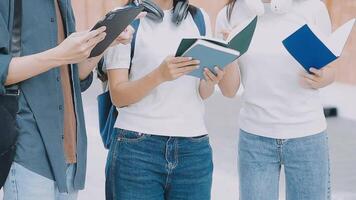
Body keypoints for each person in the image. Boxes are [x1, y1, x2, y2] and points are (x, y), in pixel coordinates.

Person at [0, 0, 135, 199]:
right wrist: (60, 55)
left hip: (71, 155)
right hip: (29, 151)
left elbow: (75, 75)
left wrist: (105, 40)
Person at [103, 0, 230, 199]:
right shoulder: (124, 18)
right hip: (137, 150)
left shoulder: (199, 18)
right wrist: (159, 75)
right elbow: (118, 96)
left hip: (194, 151)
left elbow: (202, 93)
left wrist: (211, 80)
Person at [215, 0, 335, 199]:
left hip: (307, 137)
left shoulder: (313, 7)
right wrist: (230, 51)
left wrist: (322, 78)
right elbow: (229, 90)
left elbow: (331, 70)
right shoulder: (229, 14)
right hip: (255, 139)